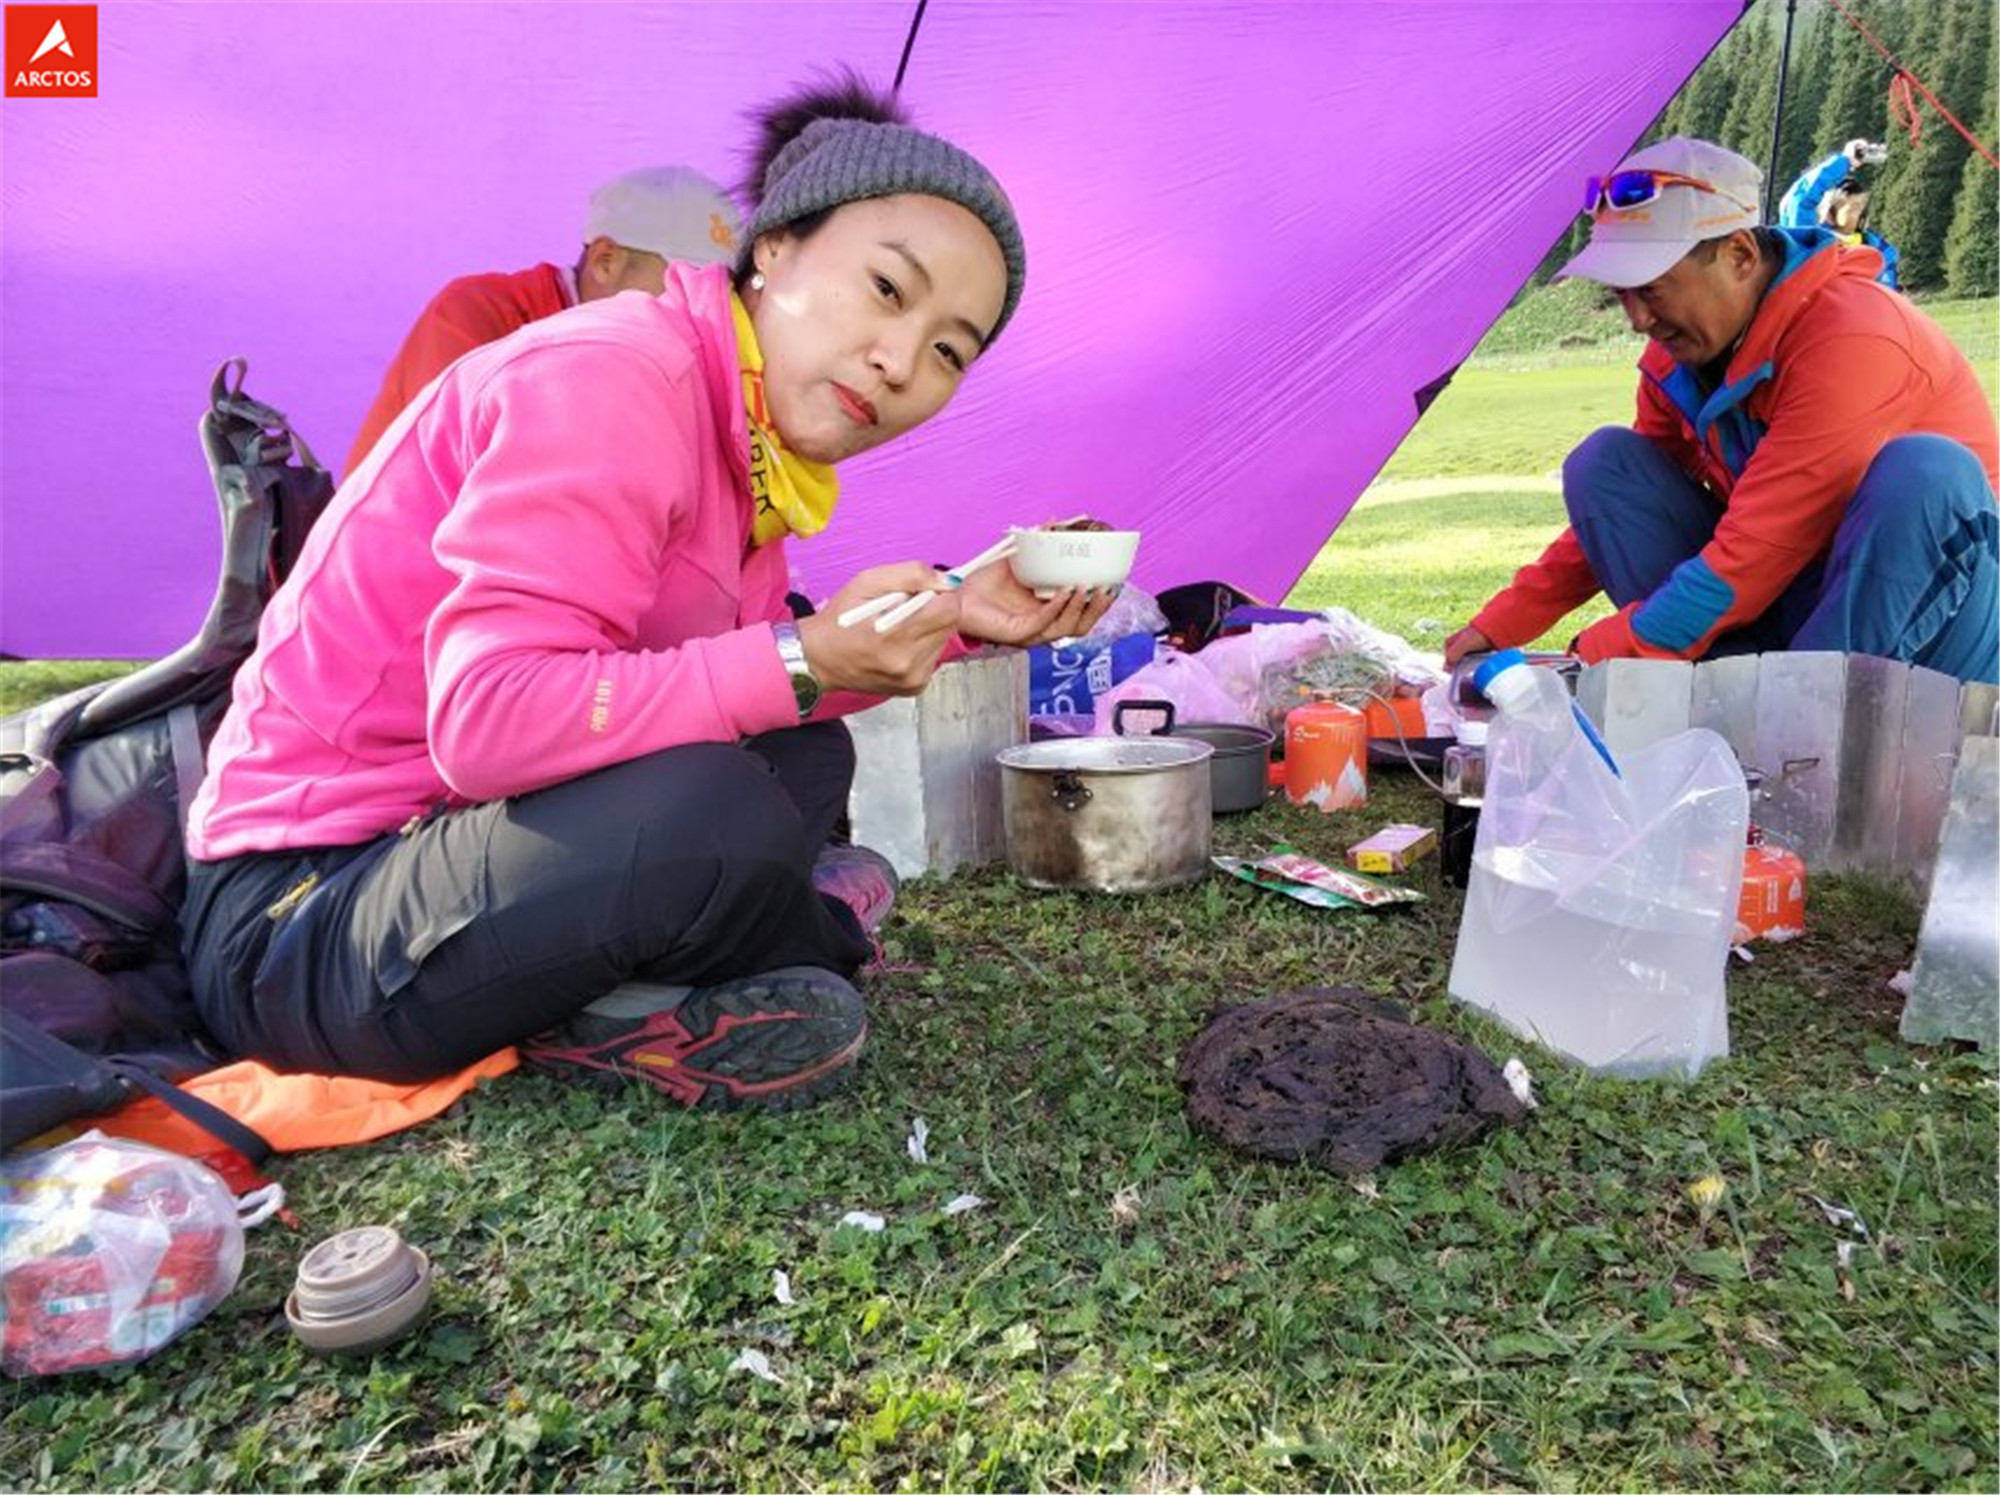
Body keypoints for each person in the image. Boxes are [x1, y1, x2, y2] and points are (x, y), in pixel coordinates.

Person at [181, 75, 1114, 1112]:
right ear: (773, 249)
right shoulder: (617, 376)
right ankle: (739, 955)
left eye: (948, 352)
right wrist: (801, 660)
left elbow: (705, 674)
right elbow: (489, 721)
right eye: (885, 290)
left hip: (454, 846)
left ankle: (663, 969)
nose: (899, 363)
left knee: (800, 748)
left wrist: (956, 616)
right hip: (304, 919)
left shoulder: (743, 437)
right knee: (712, 808)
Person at [1444, 137, 1997, 685]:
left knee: (1926, 472)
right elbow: (1624, 515)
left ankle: (1804, 725)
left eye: (1652, 289)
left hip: (1931, 623)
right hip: (1797, 598)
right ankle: (1733, 705)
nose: (1638, 319)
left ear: (1739, 255)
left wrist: (1592, 656)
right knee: (1604, 464)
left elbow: (1756, 551)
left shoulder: (1853, 337)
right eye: (1621, 294)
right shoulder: (1676, 359)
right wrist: (1500, 625)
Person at [342, 165, 745, 474]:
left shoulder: (676, 357)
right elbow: (458, 479)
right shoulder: (476, 313)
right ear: (606, 261)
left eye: (716, 290)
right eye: (684, 283)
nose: (701, 307)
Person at [1778, 138, 1900, 289]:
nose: (1861, 213)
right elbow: (1798, 201)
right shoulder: (1812, 243)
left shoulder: (1881, 252)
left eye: (1862, 206)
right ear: (1831, 213)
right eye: (1853, 207)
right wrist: (1846, 161)